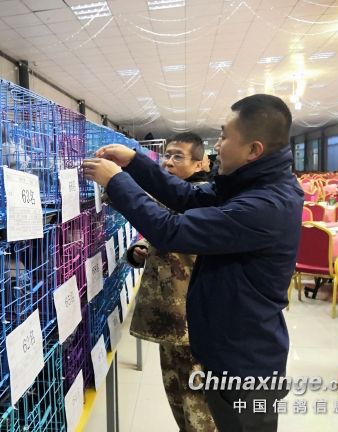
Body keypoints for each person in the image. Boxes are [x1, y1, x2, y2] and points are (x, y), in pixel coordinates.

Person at [83, 94, 303, 432]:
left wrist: (116, 181)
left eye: (224, 137)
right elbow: (189, 196)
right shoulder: (250, 185)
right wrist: (135, 163)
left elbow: (172, 230)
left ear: (253, 150)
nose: (218, 146)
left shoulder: (265, 205)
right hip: (229, 347)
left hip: (244, 365)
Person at [127, 132, 215, 432]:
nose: (168, 162)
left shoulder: (203, 198)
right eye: (166, 155)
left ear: (199, 163)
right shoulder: (174, 196)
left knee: (197, 402)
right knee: (176, 391)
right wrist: (140, 251)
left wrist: (118, 185)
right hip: (169, 315)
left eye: (178, 156)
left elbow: (170, 229)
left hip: (190, 318)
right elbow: (161, 236)